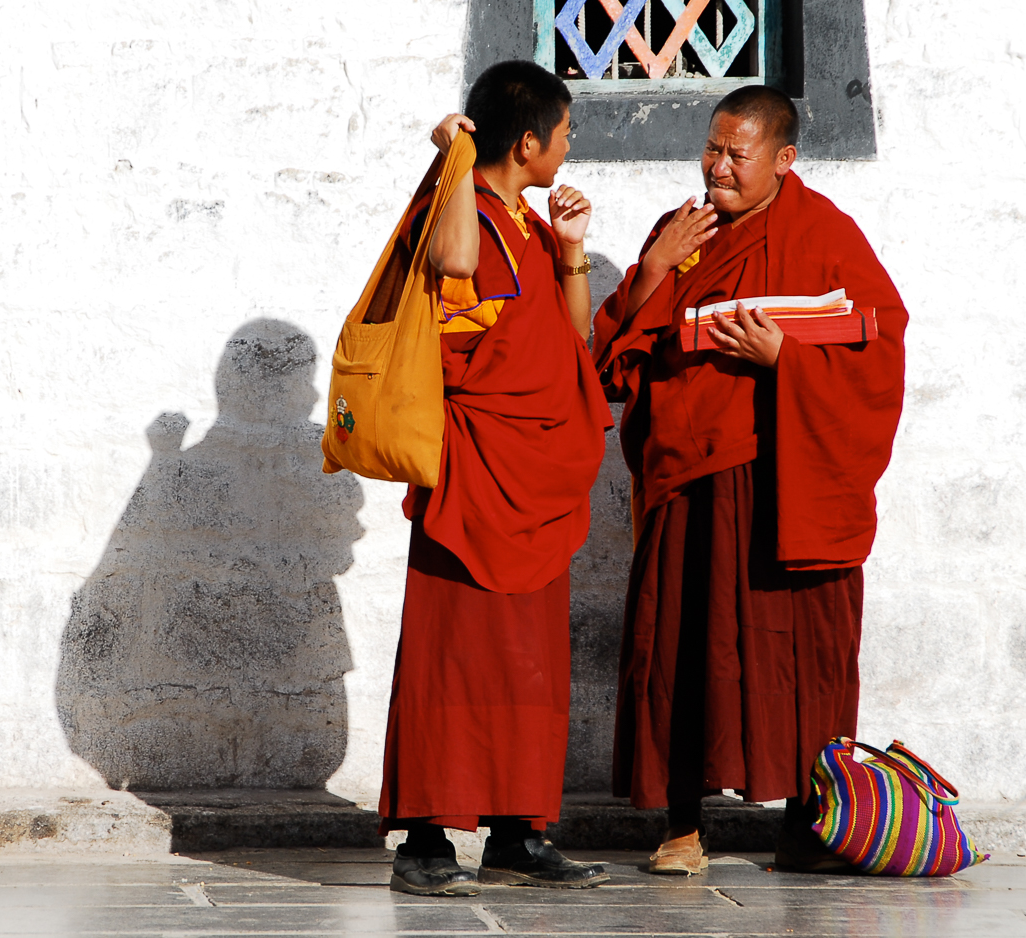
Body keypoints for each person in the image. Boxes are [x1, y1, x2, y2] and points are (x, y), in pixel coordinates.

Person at [593, 86, 908, 874]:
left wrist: (784, 362)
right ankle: (682, 826)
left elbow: (880, 346)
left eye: (739, 154)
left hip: (786, 478)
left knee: (799, 650)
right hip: (692, 476)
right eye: (712, 148)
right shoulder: (681, 231)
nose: (719, 167)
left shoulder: (825, 233)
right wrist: (656, 268)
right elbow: (618, 356)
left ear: (784, 159)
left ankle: (810, 822)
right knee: (681, 646)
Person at [377, 60, 613, 896]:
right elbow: (450, 261)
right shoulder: (463, 209)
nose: (570, 144)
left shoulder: (530, 224)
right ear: (527, 141)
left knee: (526, 664)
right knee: (454, 655)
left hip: (533, 474)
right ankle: (428, 839)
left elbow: (566, 343)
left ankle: (517, 830)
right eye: (566, 131)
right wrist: (451, 159)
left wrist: (574, 250)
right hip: (473, 467)